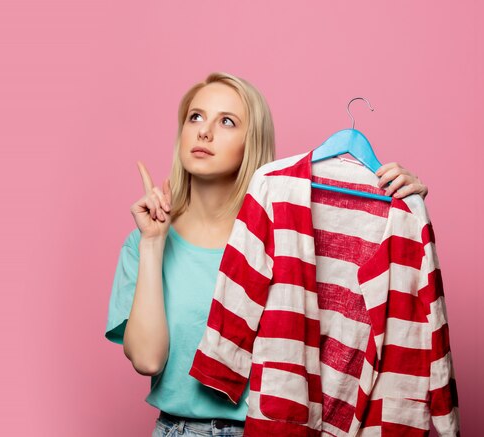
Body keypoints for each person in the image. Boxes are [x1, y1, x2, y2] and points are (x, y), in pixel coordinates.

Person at [105, 72, 429, 437]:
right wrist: (152, 244)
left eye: (227, 121)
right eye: (195, 117)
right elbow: (148, 360)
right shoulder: (144, 243)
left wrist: (401, 204)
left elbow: (356, 307)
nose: (204, 132)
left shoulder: (288, 234)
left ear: (251, 142)